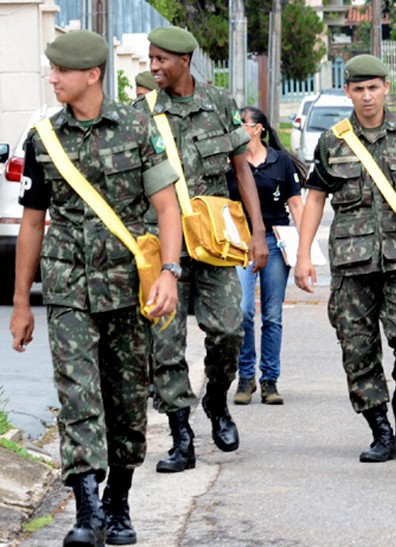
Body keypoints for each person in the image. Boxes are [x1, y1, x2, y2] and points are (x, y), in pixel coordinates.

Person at [9, 30, 181, 545]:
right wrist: (21, 301)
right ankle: (87, 513)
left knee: (127, 400)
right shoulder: (43, 138)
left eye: (62, 70)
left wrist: (170, 272)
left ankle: (119, 504)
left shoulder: (138, 126)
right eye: (51, 69)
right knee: (78, 396)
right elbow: (32, 223)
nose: (53, 77)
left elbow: (169, 208)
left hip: (130, 289)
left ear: (93, 74)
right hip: (67, 290)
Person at [135, 26, 269, 474]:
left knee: (231, 327)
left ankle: (216, 398)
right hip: (163, 245)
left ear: (184, 61)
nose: (153, 67)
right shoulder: (141, 113)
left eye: (161, 60)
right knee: (166, 344)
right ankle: (181, 435)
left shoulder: (219, 104)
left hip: (213, 242)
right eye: (150, 59)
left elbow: (242, 170)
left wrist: (258, 232)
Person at [295, 55, 396, 463]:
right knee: (357, 348)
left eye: (374, 87)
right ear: (348, 93)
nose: (367, 96)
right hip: (351, 263)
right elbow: (315, 197)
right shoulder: (334, 140)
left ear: (386, 88)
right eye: (359, 89)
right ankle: (380, 430)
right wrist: (304, 255)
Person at [230, 106, 303, 405]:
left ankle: (269, 379)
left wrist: (306, 249)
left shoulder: (280, 161)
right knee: (245, 310)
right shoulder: (231, 163)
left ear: (259, 128)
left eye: (243, 124)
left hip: (275, 242)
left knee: (272, 314)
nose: (239, 128)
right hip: (240, 244)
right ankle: (245, 377)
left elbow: (296, 205)